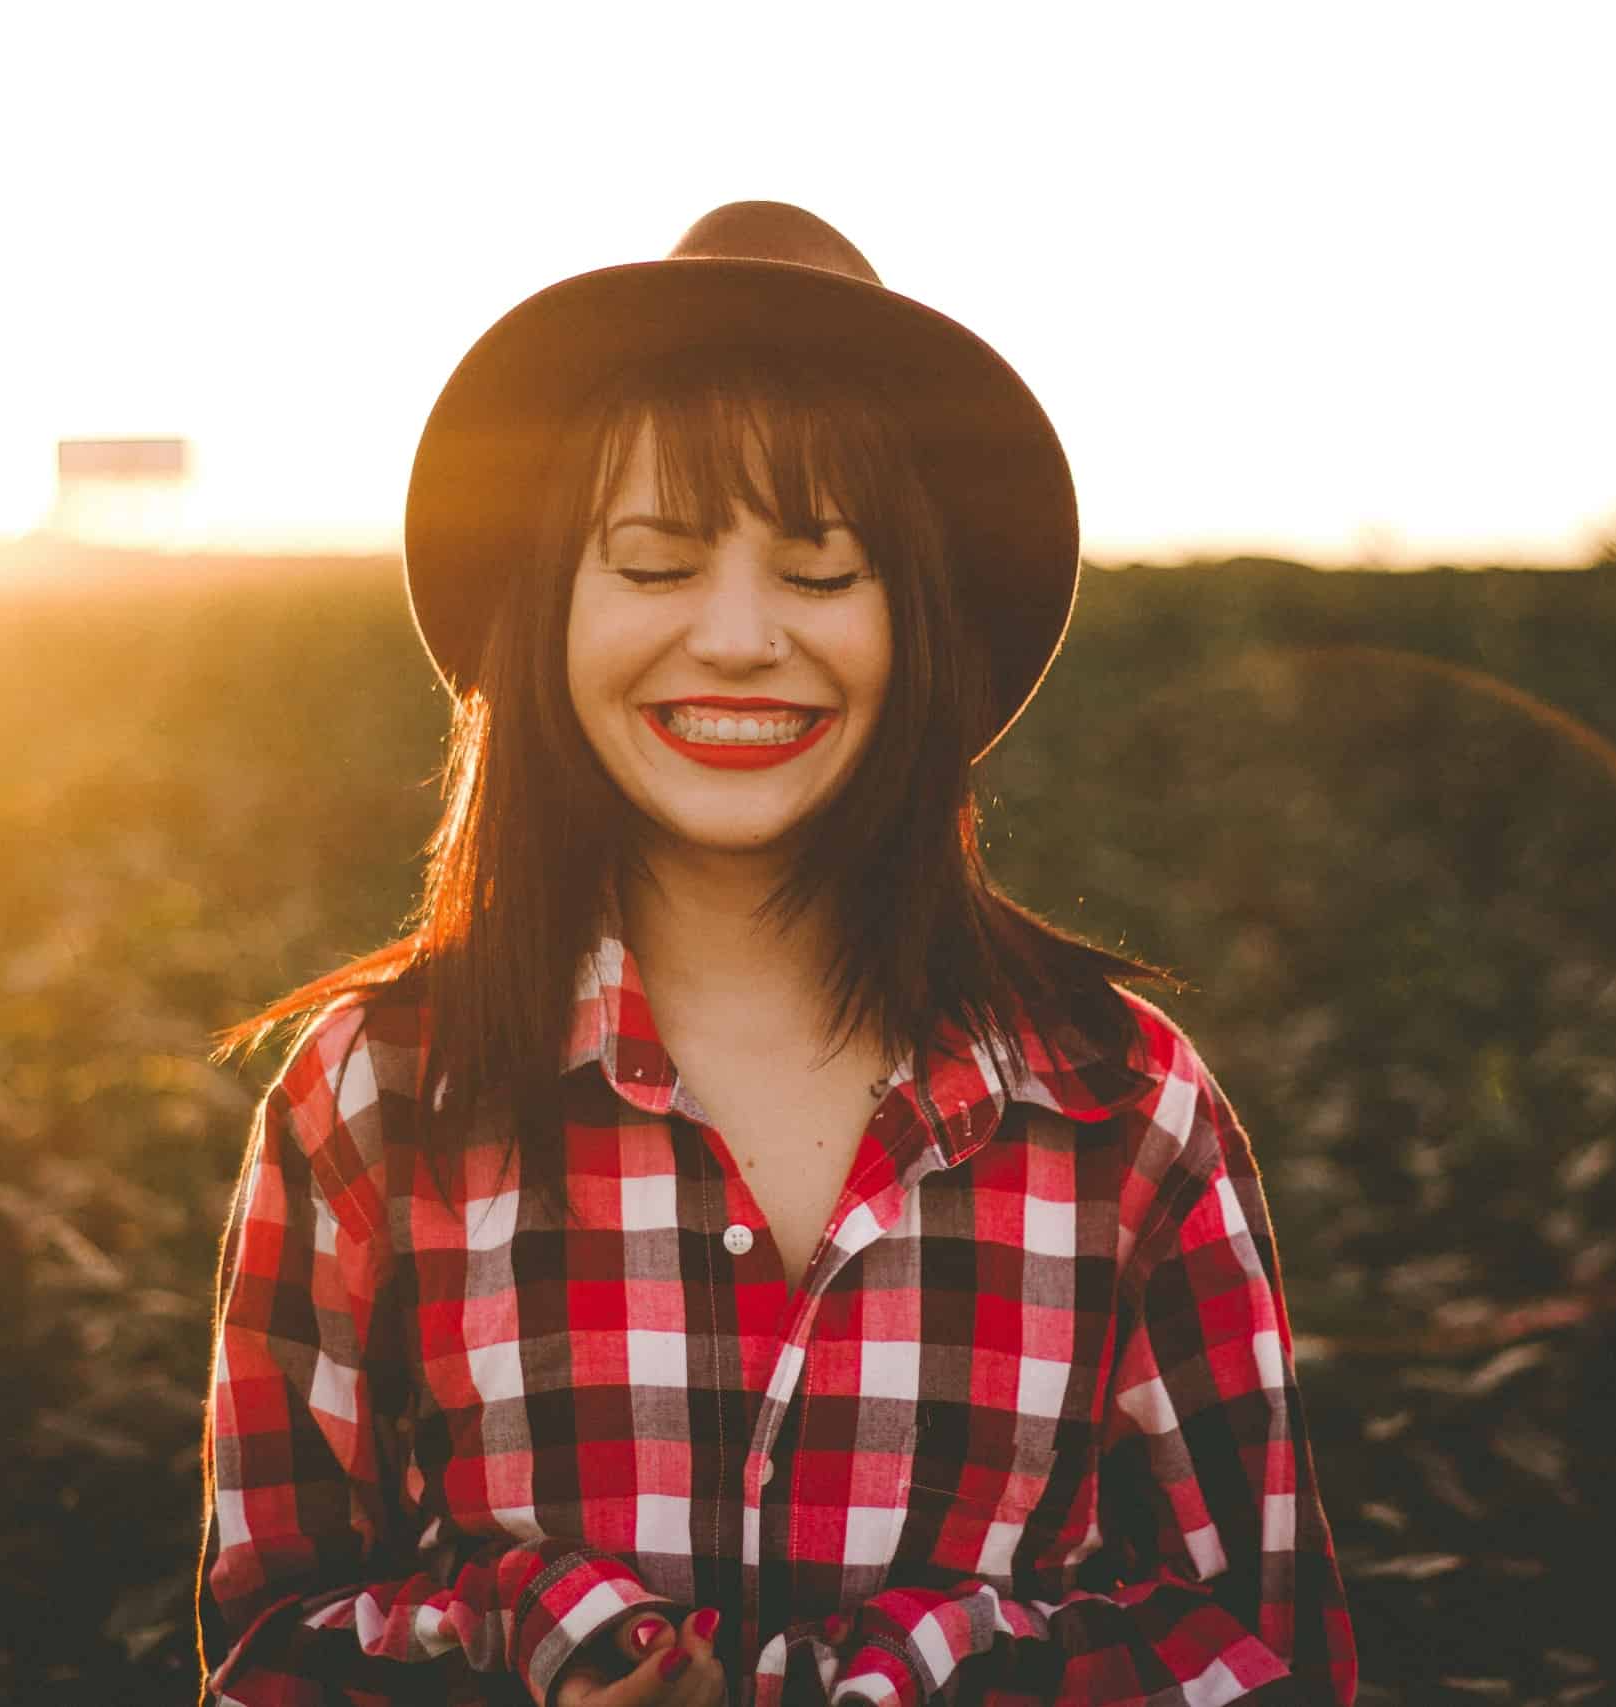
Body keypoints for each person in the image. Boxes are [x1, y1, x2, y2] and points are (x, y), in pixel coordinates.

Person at [197, 201, 1357, 1707]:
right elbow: (272, 1646)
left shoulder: (1126, 1109)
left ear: (921, 623)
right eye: (657, 564)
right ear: (546, 612)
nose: (740, 639)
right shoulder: (371, 1097)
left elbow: (1262, 1657)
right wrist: (528, 1645)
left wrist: (908, 1682)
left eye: (824, 573)